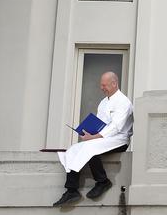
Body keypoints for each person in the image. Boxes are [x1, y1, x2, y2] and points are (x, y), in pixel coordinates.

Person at [53, 71, 134, 207]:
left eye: (104, 85)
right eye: (101, 85)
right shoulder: (103, 102)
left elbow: (116, 127)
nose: (102, 88)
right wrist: (88, 133)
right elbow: (99, 123)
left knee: (90, 147)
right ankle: (71, 190)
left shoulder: (123, 102)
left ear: (114, 84)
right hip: (102, 138)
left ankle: (102, 181)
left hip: (119, 139)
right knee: (74, 149)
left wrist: (93, 137)